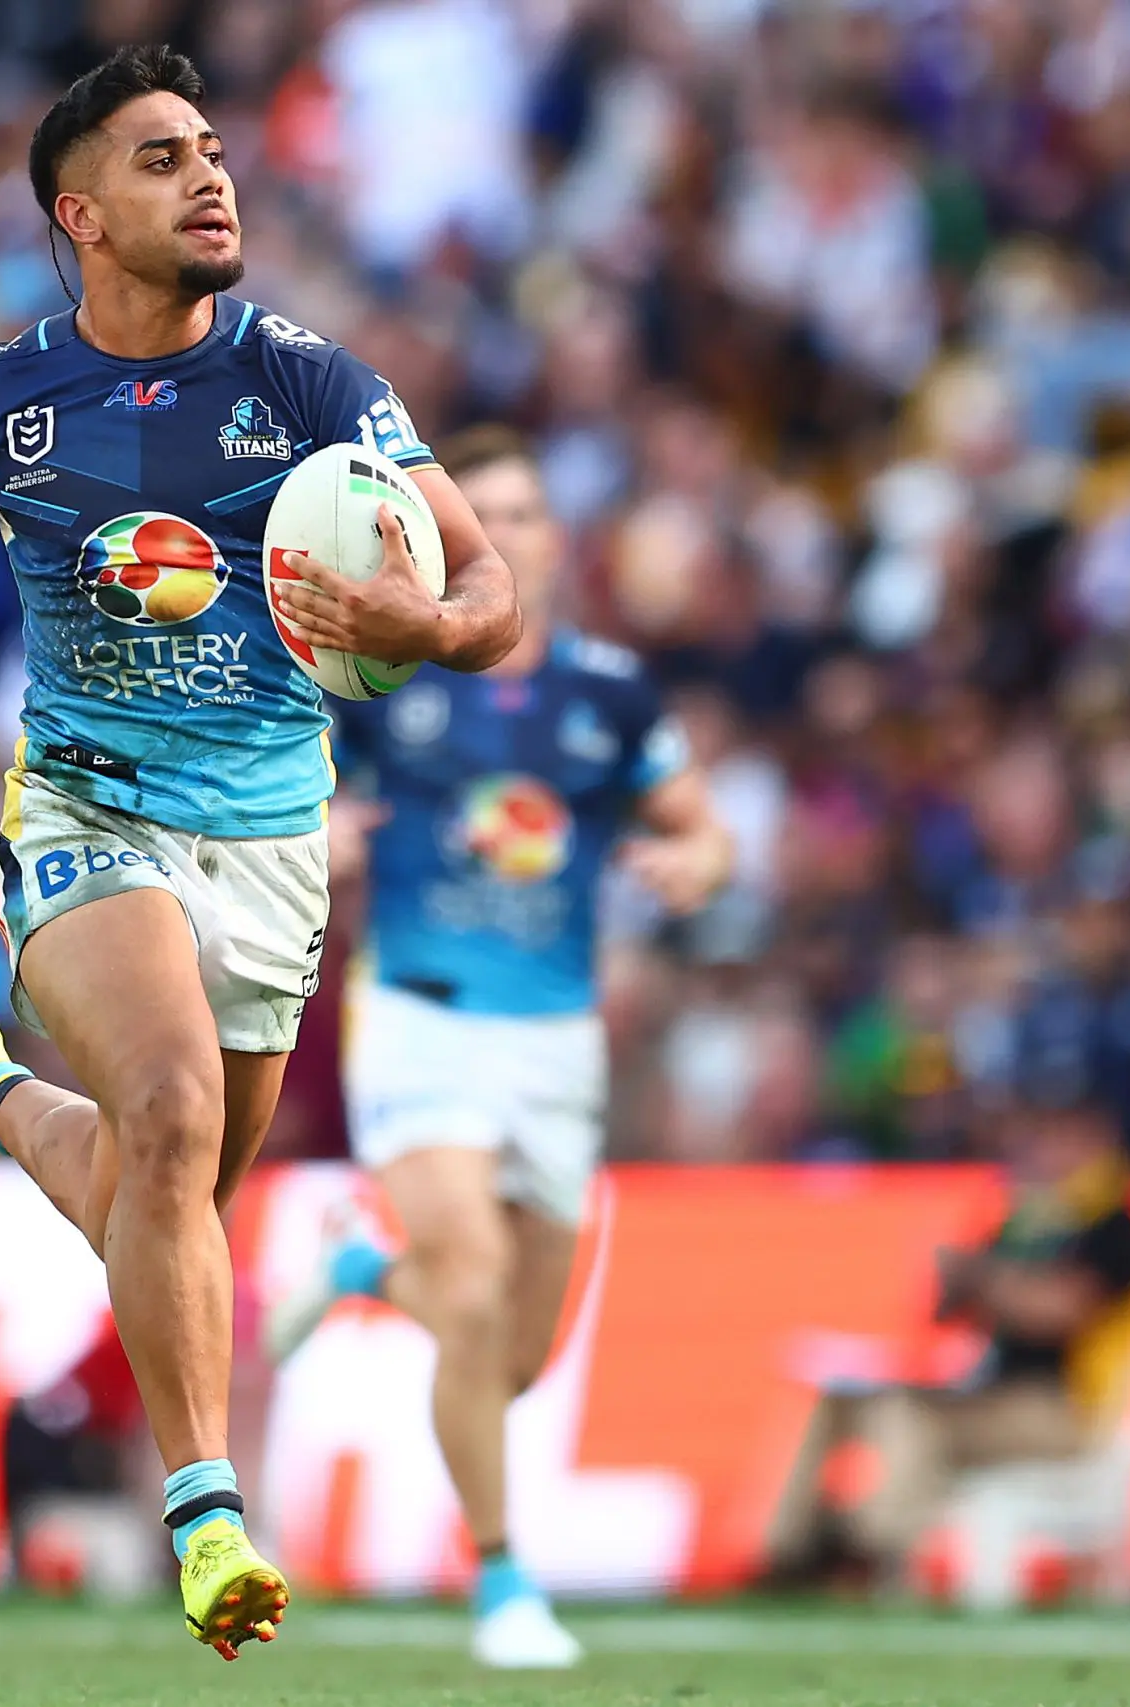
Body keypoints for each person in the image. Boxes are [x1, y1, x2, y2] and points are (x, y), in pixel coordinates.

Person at [0, 47, 522, 1661]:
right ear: (80, 213)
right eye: (164, 159)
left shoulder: (309, 385)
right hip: (85, 809)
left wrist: (425, 622)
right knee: (166, 1111)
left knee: (177, 1190)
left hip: (274, 839)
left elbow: (490, 589)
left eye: (213, 150)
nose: (211, 177)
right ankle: (208, 1516)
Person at [260, 425, 734, 1667]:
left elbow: (702, 828)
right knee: (468, 1286)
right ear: (431, 542)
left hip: (556, 1042)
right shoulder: (380, 679)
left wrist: (688, 860)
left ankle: (368, 1274)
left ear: (552, 543)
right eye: (481, 519)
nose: (504, 537)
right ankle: (503, 1584)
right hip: (418, 1016)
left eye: (522, 516)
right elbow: (292, 799)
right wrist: (324, 835)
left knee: (510, 1356)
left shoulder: (613, 695)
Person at [762, 1045, 1130, 1596]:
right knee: (837, 1400)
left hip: (1063, 1407)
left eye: (1060, 1131)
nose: (1044, 1146)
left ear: (1094, 1134)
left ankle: (872, 1551)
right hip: (995, 1393)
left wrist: (984, 1279)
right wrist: (950, 1279)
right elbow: (948, 1314)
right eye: (1040, 1130)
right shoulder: (1027, 1214)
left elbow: (1063, 1312)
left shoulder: (1114, 1220)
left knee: (913, 1417)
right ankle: (787, 1552)